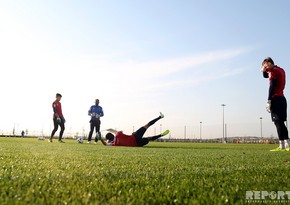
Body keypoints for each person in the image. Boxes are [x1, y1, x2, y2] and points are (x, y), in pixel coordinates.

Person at [261, 57, 289, 151]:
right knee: (281, 123)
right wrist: (264, 71)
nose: (265, 68)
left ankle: (281, 146)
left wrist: (269, 100)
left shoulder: (273, 72)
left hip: (275, 99)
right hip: (282, 99)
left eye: (265, 65)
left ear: (269, 63)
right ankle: (287, 145)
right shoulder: (281, 70)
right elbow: (265, 76)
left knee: (277, 123)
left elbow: (272, 86)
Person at [100, 112, 170, 147]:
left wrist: (100, 138)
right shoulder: (118, 134)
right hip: (135, 136)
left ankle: (161, 135)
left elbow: (105, 144)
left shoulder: (115, 144)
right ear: (112, 134)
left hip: (137, 144)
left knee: (149, 138)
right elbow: (119, 132)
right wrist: (111, 130)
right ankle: (160, 117)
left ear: (110, 140)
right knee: (147, 125)